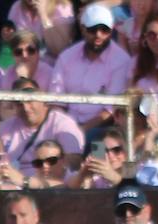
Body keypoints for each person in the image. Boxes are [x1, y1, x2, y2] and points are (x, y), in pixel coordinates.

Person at [51, 4, 131, 132]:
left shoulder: (121, 61)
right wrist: (63, 128)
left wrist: (81, 130)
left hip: (102, 128)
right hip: (66, 124)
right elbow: (56, 101)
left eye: (104, 30)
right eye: (93, 29)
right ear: (83, 29)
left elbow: (110, 110)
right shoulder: (66, 57)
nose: (98, 35)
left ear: (111, 30)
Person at [0, 77, 84, 172]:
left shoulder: (63, 124)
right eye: (19, 103)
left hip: (48, 178)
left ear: (42, 98)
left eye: (29, 100)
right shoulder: (6, 127)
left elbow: (73, 165)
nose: (26, 108)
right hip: (10, 179)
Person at [5, 0, 76, 60]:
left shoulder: (62, 7)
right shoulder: (17, 6)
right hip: (24, 62)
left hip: (53, 67)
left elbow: (60, 49)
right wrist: (8, 37)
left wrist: (44, 16)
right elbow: (12, 44)